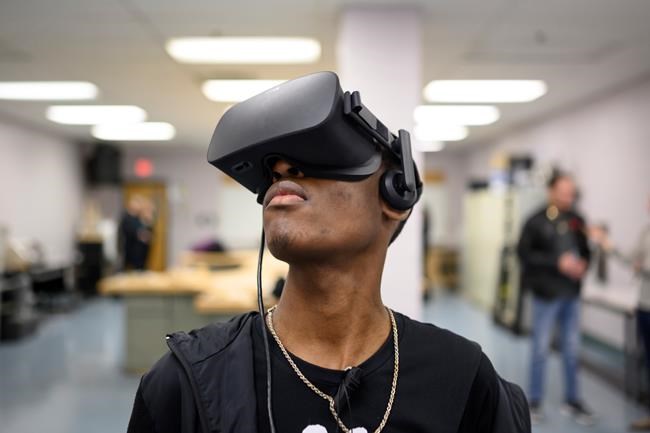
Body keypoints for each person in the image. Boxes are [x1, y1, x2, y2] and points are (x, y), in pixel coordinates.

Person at [126, 74, 529, 433]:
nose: (282, 171)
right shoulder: (189, 383)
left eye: (317, 155)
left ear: (395, 194)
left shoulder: (461, 378)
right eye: (272, 170)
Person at [517, 171, 594, 425]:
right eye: (563, 193)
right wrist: (556, 262)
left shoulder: (577, 220)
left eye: (571, 194)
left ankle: (572, 400)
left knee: (572, 349)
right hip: (546, 295)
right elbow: (524, 255)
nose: (567, 198)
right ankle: (534, 401)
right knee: (540, 349)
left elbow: (586, 251)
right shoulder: (535, 221)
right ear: (551, 191)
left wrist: (583, 264)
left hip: (572, 294)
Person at [591, 195, 650, 430]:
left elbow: (642, 265)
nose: (647, 203)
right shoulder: (647, 231)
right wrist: (608, 244)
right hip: (644, 305)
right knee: (647, 360)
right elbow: (632, 258)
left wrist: (642, 267)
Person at [118, 195, 154, 271]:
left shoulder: (138, 218)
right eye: (138, 203)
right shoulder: (127, 218)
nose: (140, 205)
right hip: (131, 254)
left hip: (141, 255)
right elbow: (141, 234)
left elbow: (148, 234)